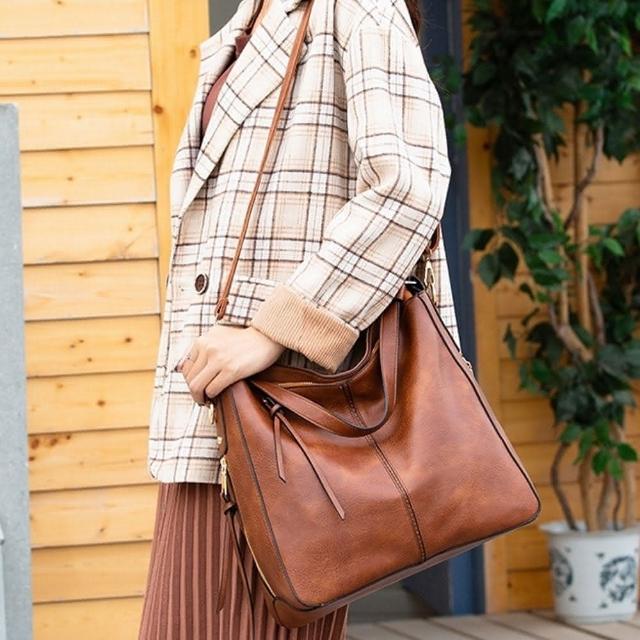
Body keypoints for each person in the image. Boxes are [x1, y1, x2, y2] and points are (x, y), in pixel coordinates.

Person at [137, 0, 460, 637]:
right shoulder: (245, 25)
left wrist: (276, 330)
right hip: (218, 420)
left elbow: (407, 188)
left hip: (289, 425)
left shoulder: (360, 10)